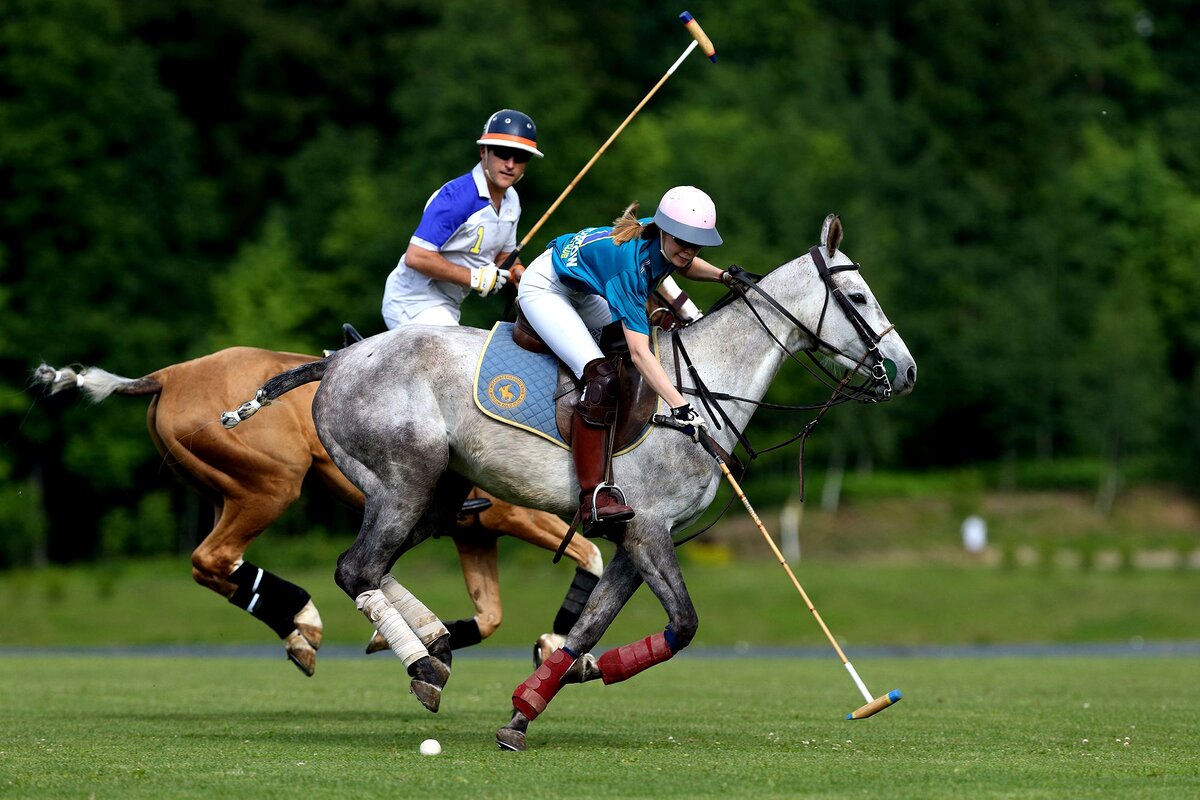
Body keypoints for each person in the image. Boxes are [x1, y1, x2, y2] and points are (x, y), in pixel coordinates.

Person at [517, 185, 734, 527]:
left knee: (635, 340)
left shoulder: (662, 237)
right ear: (664, 231)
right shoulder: (630, 268)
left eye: (696, 243)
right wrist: (681, 406)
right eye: (682, 241)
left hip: (584, 289)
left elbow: (686, 265)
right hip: (547, 287)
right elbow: (640, 352)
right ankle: (593, 497)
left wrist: (723, 276)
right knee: (601, 377)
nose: (688, 250)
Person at [382, 108, 543, 329]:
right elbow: (417, 256)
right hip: (410, 301)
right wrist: (474, 278)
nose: (510, 164)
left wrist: (519, 273)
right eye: (503, 153)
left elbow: (504, 255)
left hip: (448, 306)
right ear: (484, 152)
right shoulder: (456, 198)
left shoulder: (512, 200)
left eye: (521, 156)